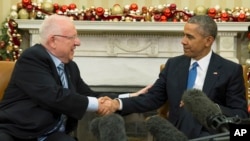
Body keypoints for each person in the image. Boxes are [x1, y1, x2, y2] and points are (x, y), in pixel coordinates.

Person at [0, 14, 150, 141]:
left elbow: (90, 95)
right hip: (19, 133)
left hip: (51, 135)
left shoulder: (70, 66)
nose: (78, 42)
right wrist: (99, 105)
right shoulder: (32, 58)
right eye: (72, 37)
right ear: (53, 41)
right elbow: (54, 96)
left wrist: (128, 98)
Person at [104, 15, 249, 139]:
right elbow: (153, 98)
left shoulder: (229, 70)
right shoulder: (174, 65)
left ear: (208, 41)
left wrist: (206, 106)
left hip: (210, 133)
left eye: (190, 37)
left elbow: (240, 114)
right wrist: (118, 103)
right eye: (184, 35)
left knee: (192, 109)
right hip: (177, 132)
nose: (183, 41)